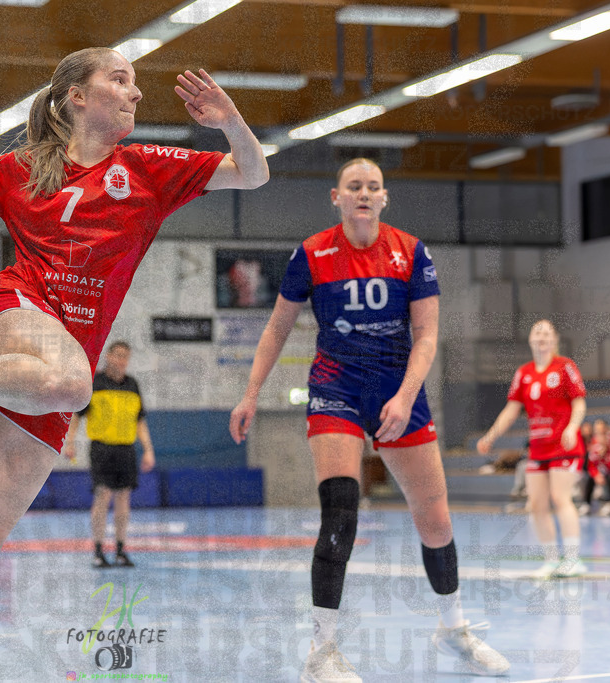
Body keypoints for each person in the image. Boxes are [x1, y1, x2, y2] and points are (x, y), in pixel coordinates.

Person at [0, 46, 268, 681]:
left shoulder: (148, 168)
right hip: (16, 310)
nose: (136, 92)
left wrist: (230, 120)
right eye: (120, 79)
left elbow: (252, 173)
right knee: (75, 382)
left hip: (54, 365)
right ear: (77, 97)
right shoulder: (23, 169)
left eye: (136, 82)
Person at [229, 158, 510, 682]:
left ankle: (453, 628)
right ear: (336, 197)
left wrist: (405, 396)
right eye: (354, 186)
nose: (364, 194)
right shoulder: (311, 254)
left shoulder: (411, 251)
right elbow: (275, 330)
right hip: (335, 386)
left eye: (373, 187)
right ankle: (323, 651)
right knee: (341, 511)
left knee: (435, 519)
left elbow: (425, 336)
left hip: (396, 388)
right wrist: (250, 395)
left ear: (384, 198)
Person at [478, 320, 587, 579]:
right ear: (530, 339)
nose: (542, 336)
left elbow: (579, 403)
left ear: (554, 340)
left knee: (561, 498)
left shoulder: (565, 367)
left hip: (564, 446)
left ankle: (573, 559)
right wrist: (491, 435)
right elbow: (511, 410)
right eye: (537, 332)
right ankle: (550, 560)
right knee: (536, 503)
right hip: (538, 449)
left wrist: (572, 427)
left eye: (547, 333)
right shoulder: (524, 373)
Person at [62, 340, 155, 568]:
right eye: (118, 355)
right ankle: (98, 549)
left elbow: (140, 421)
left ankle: (121, 550)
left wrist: (148, 451)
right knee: (103, 495)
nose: (122, 360)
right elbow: (77, 415)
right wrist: (69, 441)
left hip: (126, 448)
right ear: (108, 356)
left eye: (126, 356)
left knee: (124, 498)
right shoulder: (95, 383)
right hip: (102, 448)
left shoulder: (133, 385)